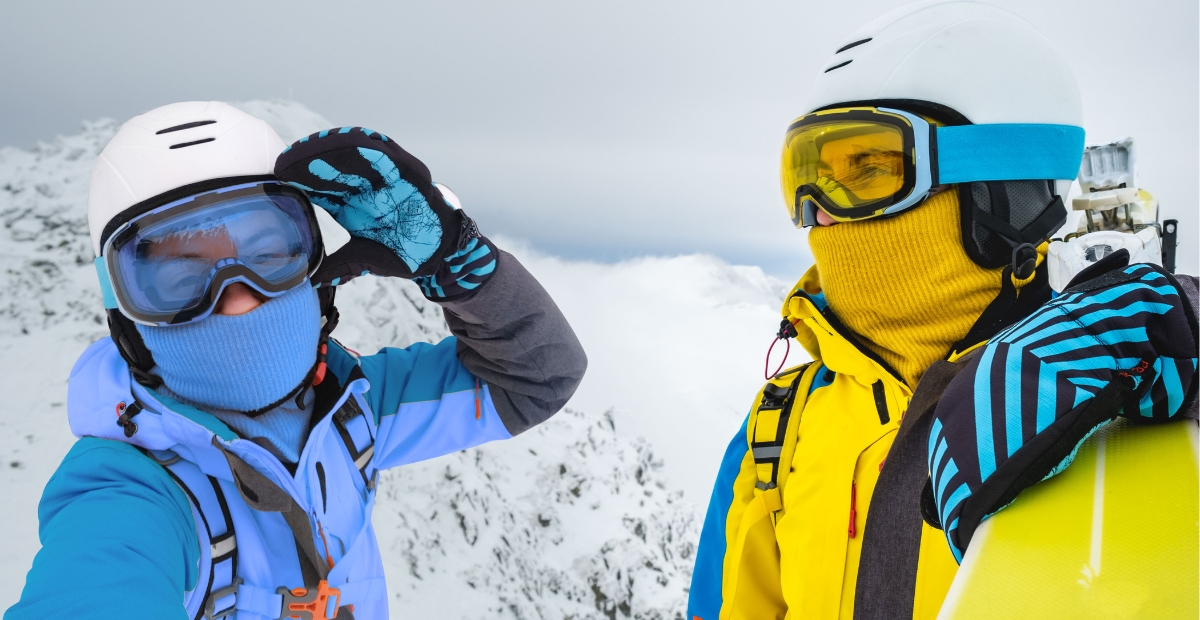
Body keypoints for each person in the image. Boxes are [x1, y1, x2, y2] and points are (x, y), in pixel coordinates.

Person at [686, 2, 1198, 619]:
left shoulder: (1114, 379)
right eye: (808, 173)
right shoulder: (777, 429)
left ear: (1004, 186)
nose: (818, 210)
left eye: (869, 169)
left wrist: (1181, 325)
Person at [5, 101, 587, 619]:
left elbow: (536, 377)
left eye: (265, 255)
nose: (238, 300)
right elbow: (94, 584)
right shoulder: (134, 491)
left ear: (315, 268)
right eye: (181, 279)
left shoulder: (354, 407)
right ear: (126, 312)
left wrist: (457, 264)